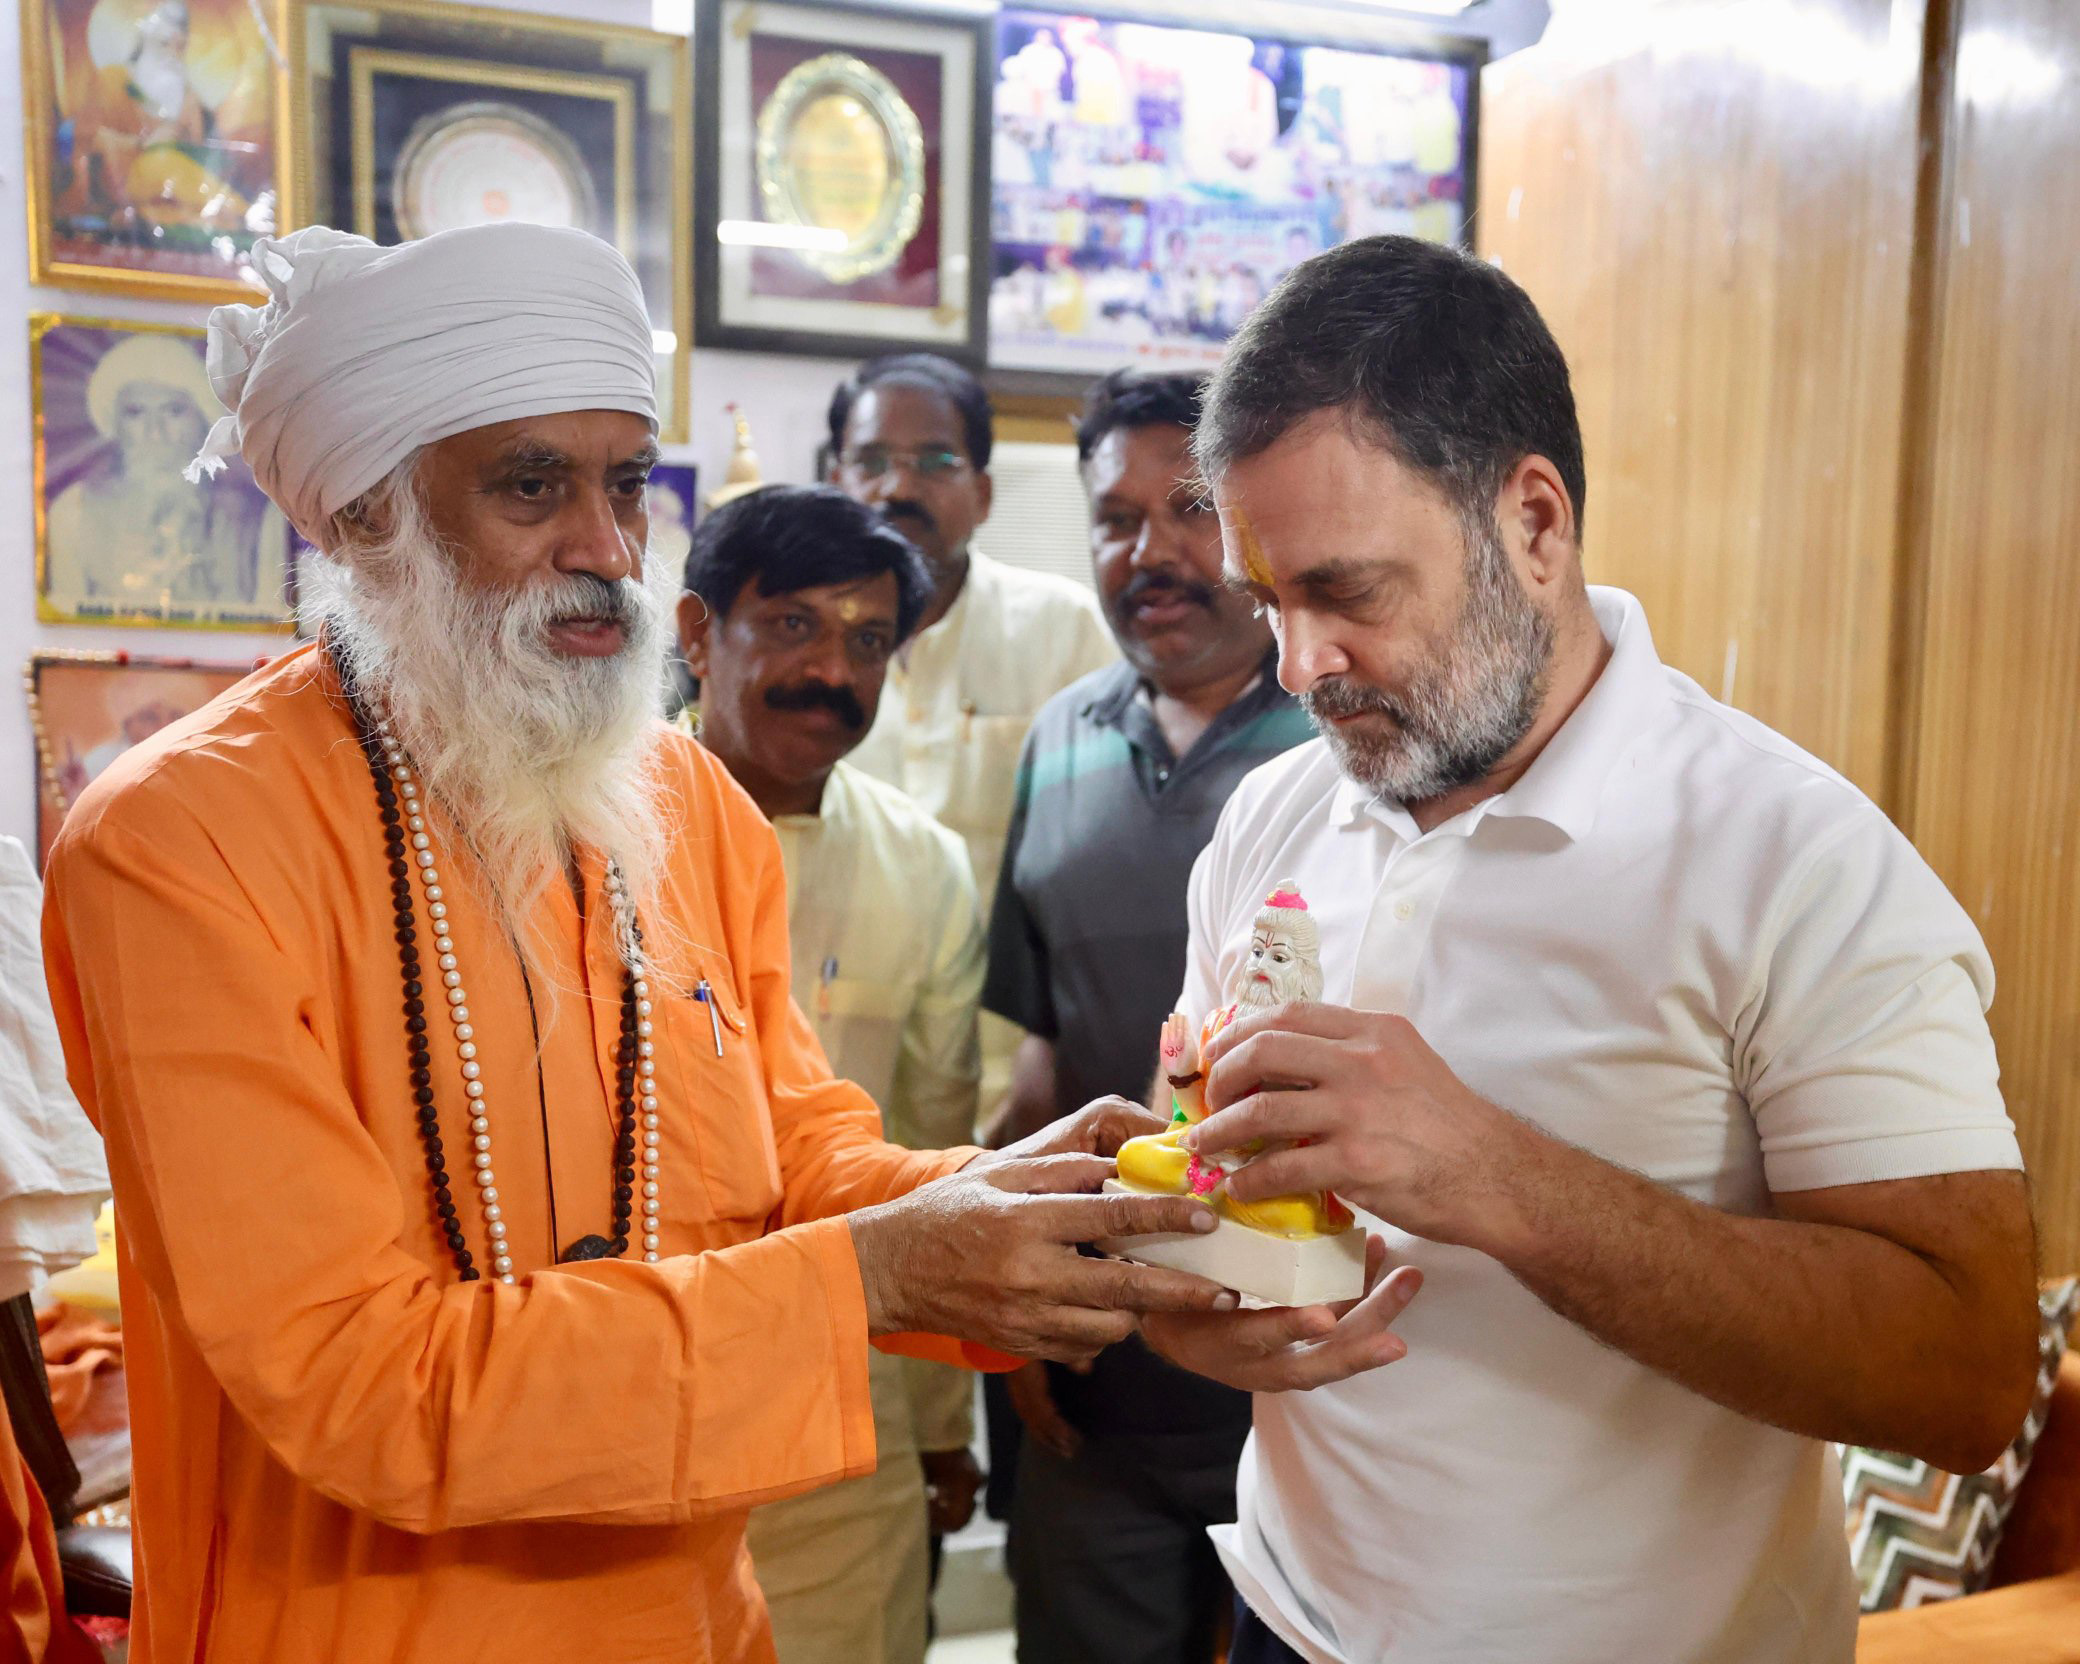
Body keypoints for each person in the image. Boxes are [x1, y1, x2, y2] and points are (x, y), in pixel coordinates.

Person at [37, 221, 1264, 1664]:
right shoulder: (177, 844)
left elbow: (796, 1160)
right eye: (532, 486)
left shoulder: (679, 800)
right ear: (367, 512)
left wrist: (1037, 1205)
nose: (606, 550)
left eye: (625, 482)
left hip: (690, 1618)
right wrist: (871, 1273)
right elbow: (355, 1380)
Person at [1138, 234, 2041, 1663]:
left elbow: (1970, 1374)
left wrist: (1491, 1173)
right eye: (1272, 605)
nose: (1298, 665)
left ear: (1536, 525)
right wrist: (1191, 1310)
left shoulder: (1796, 861)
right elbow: (1199, 1160)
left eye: (1348, 593)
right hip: (1288, 1625)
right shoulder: (1268, 817)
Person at [983, 372, 1315, 1664]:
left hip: (1292, 1369)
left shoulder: (1343, 743)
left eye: (1188, 510)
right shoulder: (1060, 738)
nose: (1150, 552)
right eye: (1114, 519)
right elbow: (1038, 1067)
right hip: (1095, 1384)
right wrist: (1001, 1304)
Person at [676, 485, 984, 1664]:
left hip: (845, 1415)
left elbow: (934, 1139)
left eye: (865, 641)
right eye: (793, 626)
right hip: (625, 1391)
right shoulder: (587, 831)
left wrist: (941, 1433)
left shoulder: (924, 866)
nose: (832, 673)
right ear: (701, 634)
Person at [44, 333, 274, 611]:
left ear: (202, 421)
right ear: (115, 426)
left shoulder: (255, 521)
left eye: (173, 411)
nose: (155, 433)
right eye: (136, 413)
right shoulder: (74, 512)